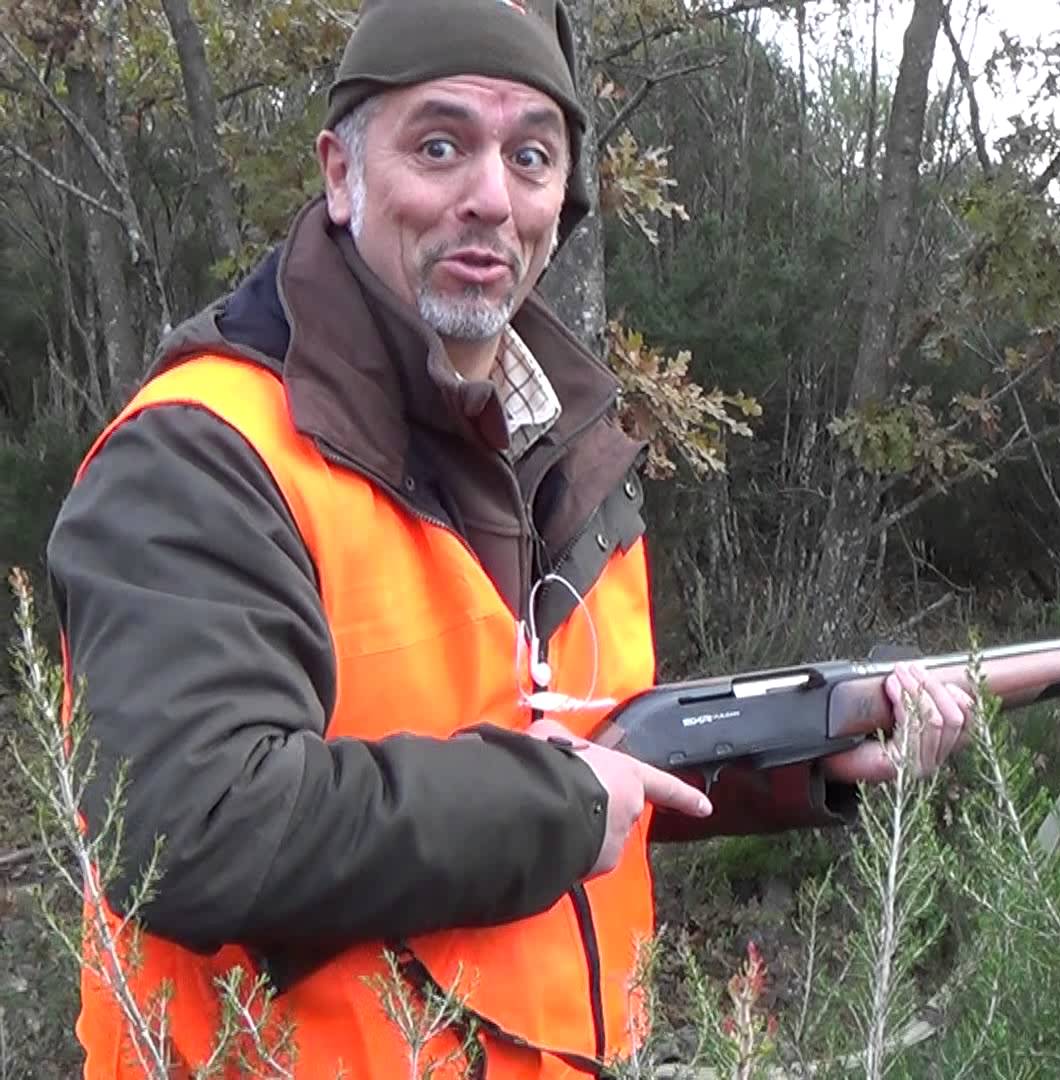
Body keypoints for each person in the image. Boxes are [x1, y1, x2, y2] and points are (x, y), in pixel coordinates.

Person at [45, 0, 975, 1075]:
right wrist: (562, 805)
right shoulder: (203, 454)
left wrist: (812, 756)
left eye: (531, 156)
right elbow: (191, 827)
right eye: (440, 146)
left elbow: (607, 753)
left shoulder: (576, 458)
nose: (490, 197)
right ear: (340, 176)